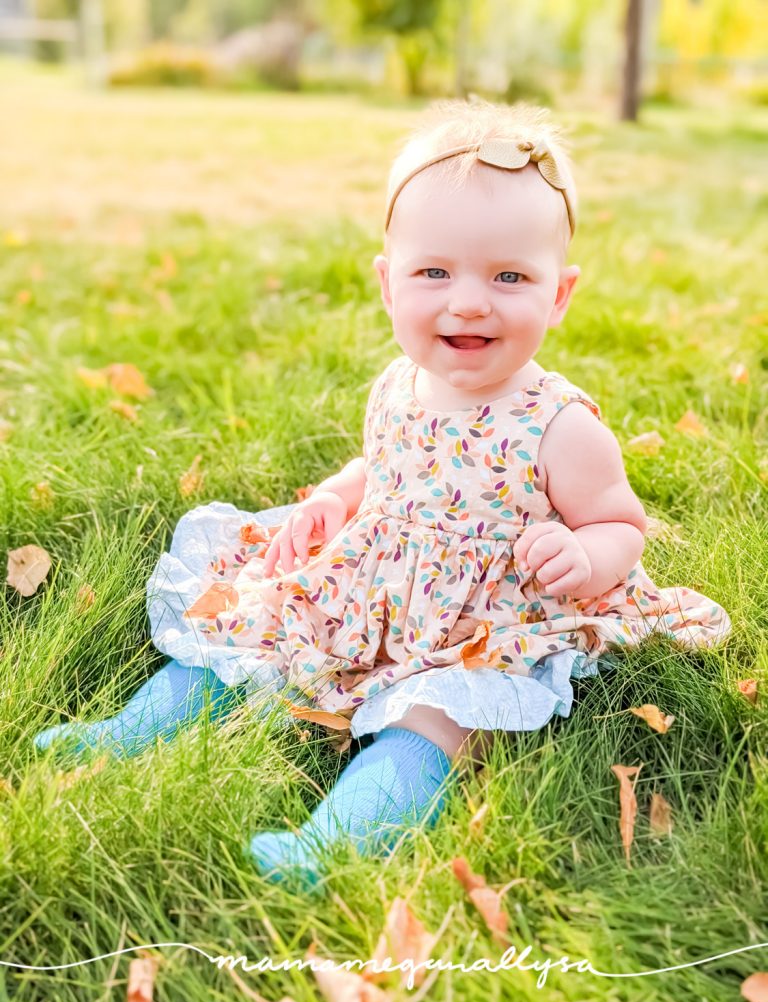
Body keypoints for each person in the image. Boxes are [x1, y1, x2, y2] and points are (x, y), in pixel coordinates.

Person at [34, 98, 731, 891]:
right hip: (375, 581)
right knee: (257, 632)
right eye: (434, 272)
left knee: (437, 712)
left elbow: (620, 524)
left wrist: (583, 549)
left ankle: (332, 843)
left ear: (560, 294)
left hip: (487, 613)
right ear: (387, 283)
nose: (468, 301)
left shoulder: (559, 427)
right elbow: (384, 464)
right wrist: (335, 496)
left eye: (509, 277)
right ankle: (127, 733)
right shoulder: (400, 385)